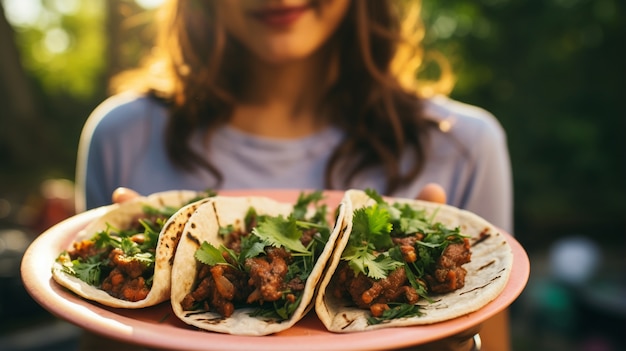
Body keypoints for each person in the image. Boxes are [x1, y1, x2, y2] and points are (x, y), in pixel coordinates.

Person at [75, 1, 513, 350]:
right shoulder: (122, 135)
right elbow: (93, 339)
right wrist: (131, 327)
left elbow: (488, 342)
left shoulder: (465, 145)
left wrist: (447, 340)